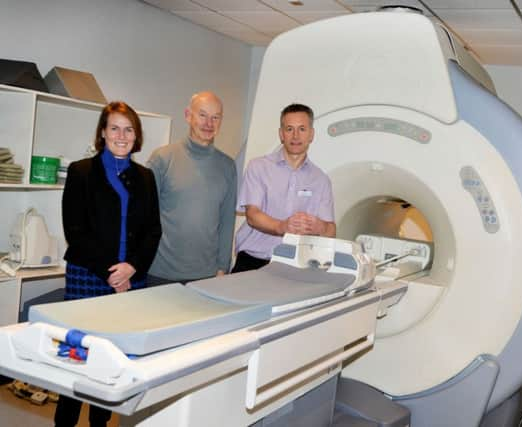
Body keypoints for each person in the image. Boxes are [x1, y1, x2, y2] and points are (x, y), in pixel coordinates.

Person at [56, 101, 162, 427]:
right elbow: (75, 231)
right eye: (114, 127)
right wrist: (113, 273)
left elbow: (152, 231)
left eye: (128, 129)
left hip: (132, 279)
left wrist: (132, 267)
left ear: (136, 135)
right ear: (103, 132)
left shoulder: (145, 176)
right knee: (77, 358)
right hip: (88, 277)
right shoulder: (81, 172)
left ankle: (100, 424)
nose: (121, 135)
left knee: (111, 360)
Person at [232, 103, 335, 273]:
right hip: (253, 262)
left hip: (294, 265)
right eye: (289, 129)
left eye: (302, 129)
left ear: (311, 134)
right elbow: (252, 215)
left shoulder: (321, 180)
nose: (295, 135)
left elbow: (331, 229)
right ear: (281, 134)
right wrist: (283, 227)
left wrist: (319, 227)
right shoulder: (258, 167)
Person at [146, 92, 237, 284]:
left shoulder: (228, 166)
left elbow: (227, 221)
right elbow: (143, 217)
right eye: (202, 115)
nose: (208, 123)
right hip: (159, 273)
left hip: (207, 276)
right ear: (188, 115)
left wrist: (223, 267)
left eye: (215, 117)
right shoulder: (162, 158)